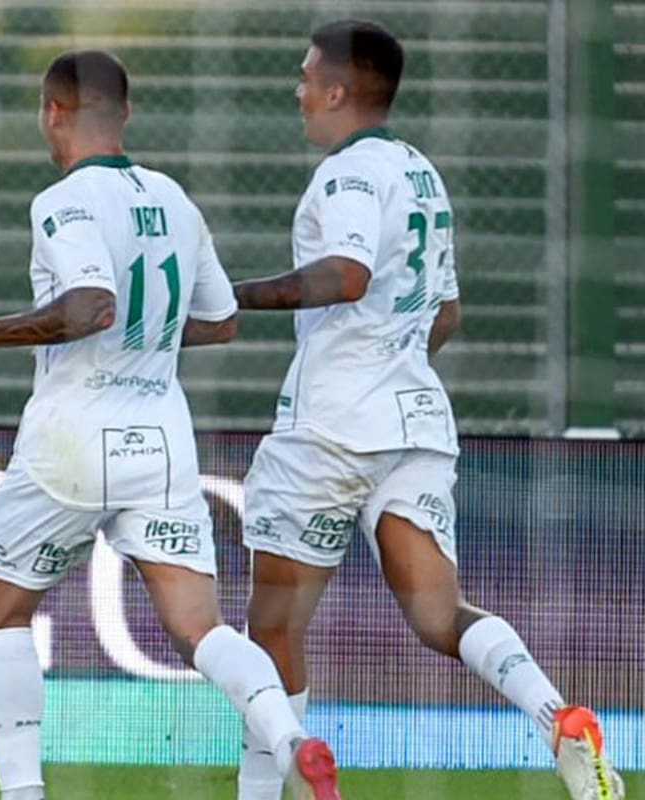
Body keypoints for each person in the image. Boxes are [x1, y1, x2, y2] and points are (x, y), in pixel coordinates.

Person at [230, 19, 624, 800]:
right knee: (440, 615)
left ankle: (269, 788)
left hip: (330, 427)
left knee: (273, 629)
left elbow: (343, 275)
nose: (299, 89)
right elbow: (445, 312)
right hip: (413, 419)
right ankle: (558, 717)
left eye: (307, 75)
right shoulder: (420, 172)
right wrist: (393, 355)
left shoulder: (344, 177)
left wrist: (228, 296)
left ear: (340, 90)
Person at [0, 50, 343, 800]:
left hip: (72, 434)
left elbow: (91, 304)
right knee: (203, 629)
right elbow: (220, 324)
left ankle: (23, 793)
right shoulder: (175, 200)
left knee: (0, 610)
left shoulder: (62, 201)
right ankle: (291, 739)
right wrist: (149, 336)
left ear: (51, 111)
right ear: (125, 114)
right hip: (160, 438)